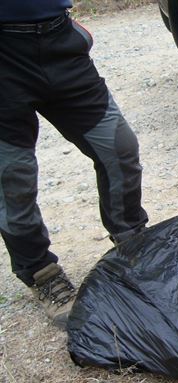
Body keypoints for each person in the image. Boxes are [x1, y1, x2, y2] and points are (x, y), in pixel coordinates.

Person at [0, 1, 148, 328]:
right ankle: (42, 274)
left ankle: (133, 242)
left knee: (119, 148)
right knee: (13, 179)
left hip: (58, 39)